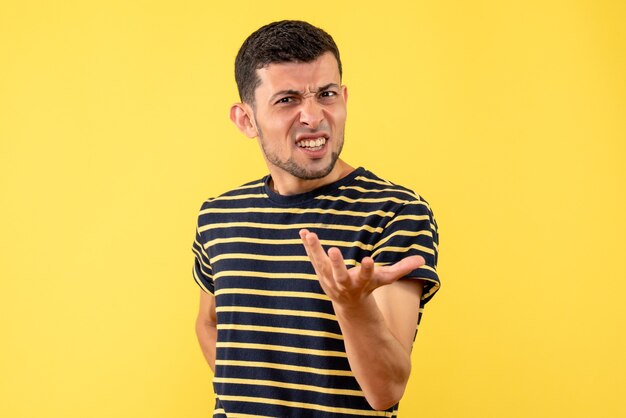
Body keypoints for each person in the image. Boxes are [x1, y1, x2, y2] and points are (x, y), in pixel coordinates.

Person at [192, 20, 440, 417]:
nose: (313, 116)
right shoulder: (218, 216)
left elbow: (387, 390)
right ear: (246, 119)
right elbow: (208, 324)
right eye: (287, 99)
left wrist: (352, 305)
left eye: (326, 94)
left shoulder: (395, 212)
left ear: (343, 97)